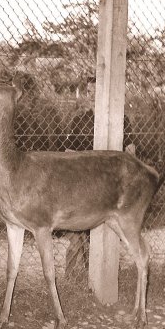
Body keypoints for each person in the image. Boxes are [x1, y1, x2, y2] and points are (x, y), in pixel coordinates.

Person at [64, 80, 135, 277]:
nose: (92, 95)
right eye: (89, 91)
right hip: (83, 184)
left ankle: (108, 272)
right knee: (77, 232)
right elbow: (68, 154)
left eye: (96, 91)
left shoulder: (121, 120)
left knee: (110, 230)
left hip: (109, 186)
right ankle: (71, 278)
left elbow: (130, 154)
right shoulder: (79, 121)